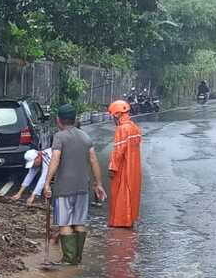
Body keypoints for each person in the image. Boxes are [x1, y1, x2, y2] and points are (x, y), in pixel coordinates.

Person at [43, 103, 106, 266]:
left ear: (59, 120)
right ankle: (77, 258)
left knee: (65, 222)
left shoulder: (60, 136)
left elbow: (55, 159)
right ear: (75, 119)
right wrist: (98, 184)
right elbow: (93, 160)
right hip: (82, 188)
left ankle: (68, 259)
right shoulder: (86, 137)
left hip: (64, 187)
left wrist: (47, 183)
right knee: (79, 222)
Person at [106, 99, 142, 229]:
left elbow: (118, 151)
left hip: (123, 168)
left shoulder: (122, 129)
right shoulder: (135, 128)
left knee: (121, 194)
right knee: (132, 193)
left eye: (113, 116)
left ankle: (121, 222)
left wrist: (112, 167)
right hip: (134, 168)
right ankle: (130, 219)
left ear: (117, 114)